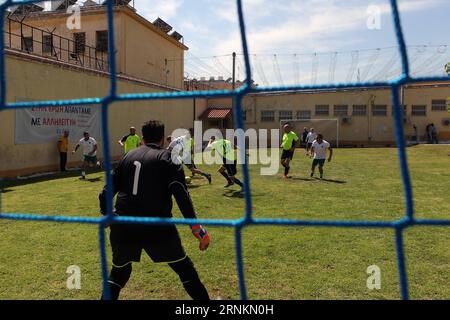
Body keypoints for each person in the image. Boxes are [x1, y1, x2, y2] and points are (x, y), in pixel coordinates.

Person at [99, 120, 210, 300]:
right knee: (185, 270)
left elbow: (105, 192)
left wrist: (108, 213)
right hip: (157, 226)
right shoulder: (168, 158)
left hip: (124, 224)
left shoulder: (127, 157)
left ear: (142, 138)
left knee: (119, 274)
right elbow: (181, 194)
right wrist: (196, 227)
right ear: (162, 138)